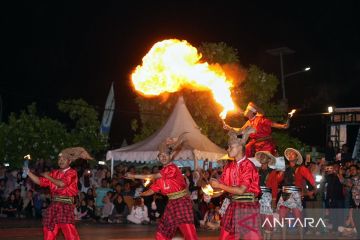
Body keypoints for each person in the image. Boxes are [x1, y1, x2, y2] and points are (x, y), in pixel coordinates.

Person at [126, 133, 198, 240]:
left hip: (182, 201)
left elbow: (153, 176)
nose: (163, 157)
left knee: (187, 229)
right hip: (172, 203)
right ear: (158, 158)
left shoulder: (172, 168)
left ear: (170, 157)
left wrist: (133, 175)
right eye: (161, 155)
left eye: (166, 155)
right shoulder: (162, 175)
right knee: (164, 228)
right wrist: (143, 194)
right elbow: (153, 190)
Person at [25, 147, 93, 240]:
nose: (61, 161)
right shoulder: (54, 173)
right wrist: (28, 172)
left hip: (66, 204)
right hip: (54, 205)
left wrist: (48, 176)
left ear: (69, 161)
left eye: (63, 159)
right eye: (59, 159)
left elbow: (62, 184)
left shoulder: (72, 172)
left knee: (69, 232)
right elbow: (40, 181)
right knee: (49, 230)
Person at [209, 127, 261, 240]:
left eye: (230, 147)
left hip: (247, 207)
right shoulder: (229, 167)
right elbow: (222, 188)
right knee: (225, 237)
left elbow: (241, 190)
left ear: (240, 147)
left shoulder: (248, 166)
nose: (228, 149)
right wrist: (210, 194)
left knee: (251, 237)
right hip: (233, 205)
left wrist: (219, 186)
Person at [276, 148, 315, 240]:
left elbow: (311, 179)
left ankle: (301, 238)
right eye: (289, 154)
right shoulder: (285, 168)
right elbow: (278, 180)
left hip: (295, 194)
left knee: (298, 218)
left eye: (292, 154)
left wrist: (312, 190)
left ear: (297, 157)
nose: (290, 155)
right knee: (282, 218)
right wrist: (281, 172)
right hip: (285, 193)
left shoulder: (301, 168)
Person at [224, 102, 288, 157]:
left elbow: (272, 124)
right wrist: (230, 128)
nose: (245, 111)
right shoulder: (248, 122)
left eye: (246, 110)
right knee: (244, 150)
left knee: (266, 159)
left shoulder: (260, 119)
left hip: (265, 144)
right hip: (254, 144)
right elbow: (241, 131)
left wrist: (282, 126)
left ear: (251, 112)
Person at [254, 151, 277, 240]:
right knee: (259, 219)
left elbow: (274, 187)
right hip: (257, 196)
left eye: (265, 156)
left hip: (267, 197)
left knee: (267, 218)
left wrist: (274, 200)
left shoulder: (272, 171)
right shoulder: (256, 171)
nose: (263, 157)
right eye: (261, 156)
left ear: (269, 160)